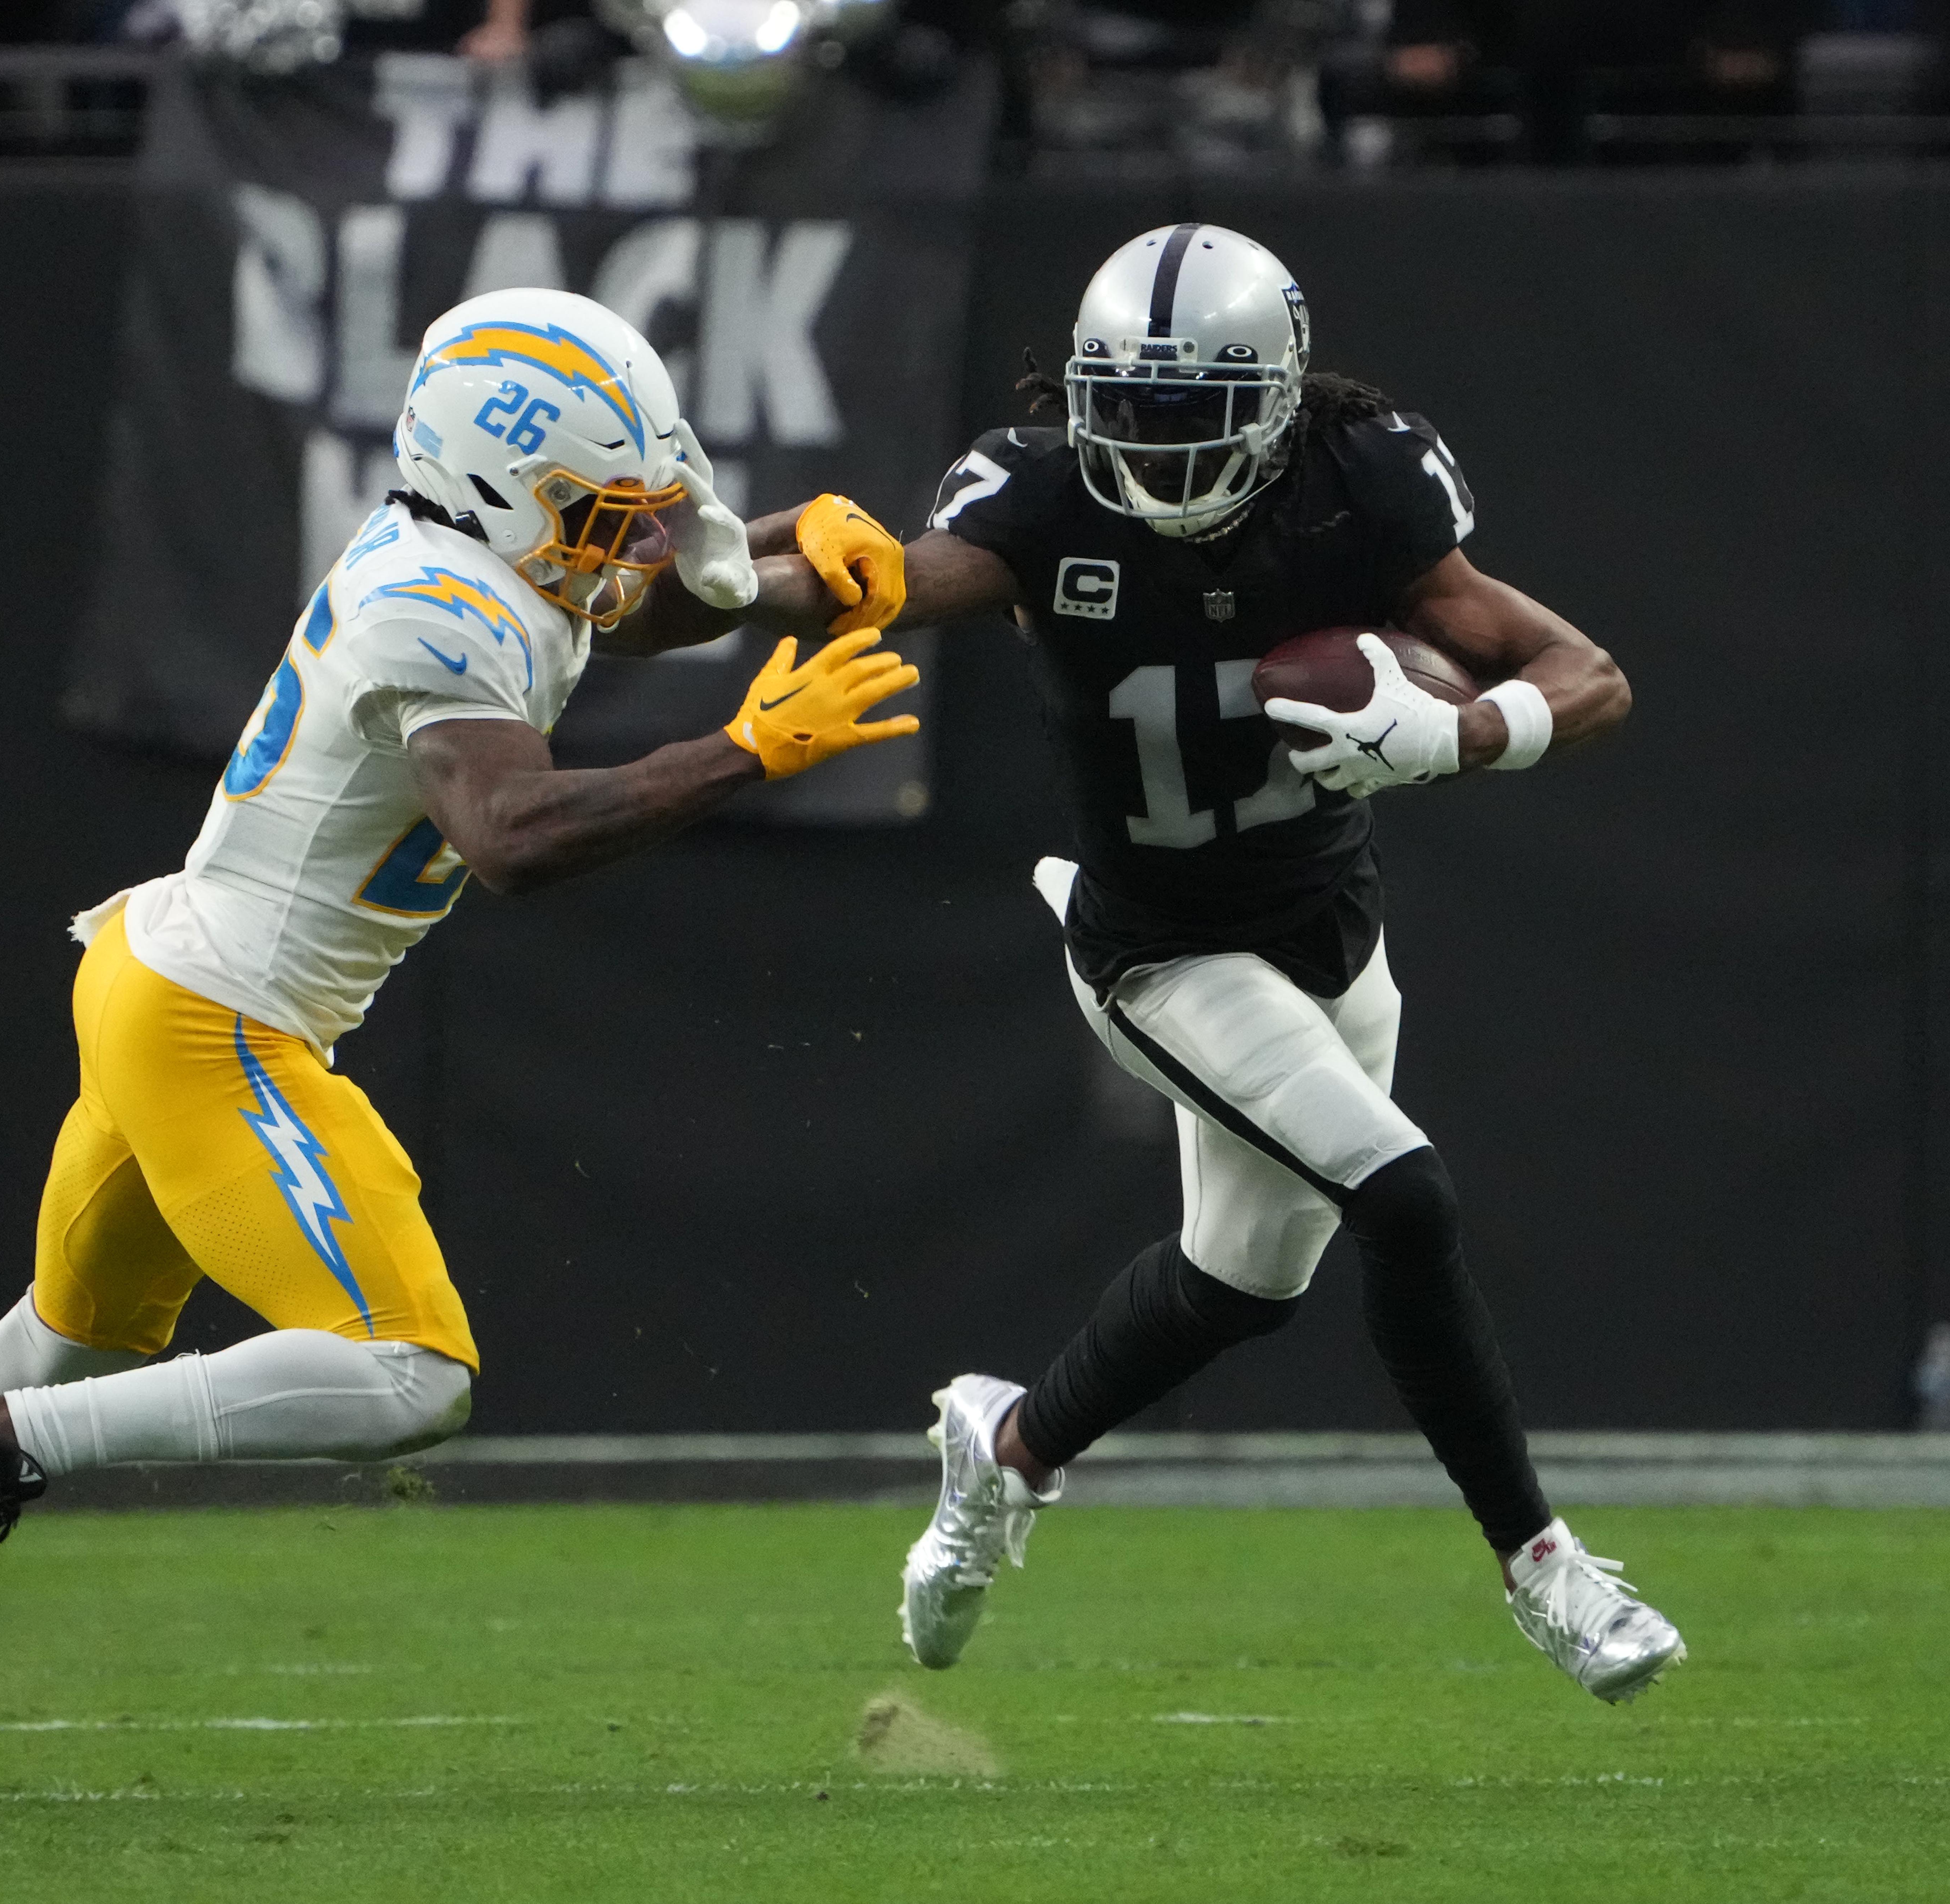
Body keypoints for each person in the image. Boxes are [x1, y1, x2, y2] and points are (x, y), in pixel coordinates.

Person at [0, 286, 923, 1802]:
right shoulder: (435, 608)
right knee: (408, 1370)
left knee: (81, 1328)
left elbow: (647, 590)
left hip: (155, 974)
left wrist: (772, 555)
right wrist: (746, 750)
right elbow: (508, 832)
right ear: (516, 496)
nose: (633, 544)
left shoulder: (489, 553)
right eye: (607, 515)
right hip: (217, 1022)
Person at [663, 223, 1685, 1702]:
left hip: (1327, 929)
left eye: (1187, 413)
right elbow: (865, 581)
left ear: (1272, 405)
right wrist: (718, 562)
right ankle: (1547, 1573)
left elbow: (1582, 674)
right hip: (1160, 949)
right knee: (1401, 1194)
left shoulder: (1359, 481)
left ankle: (1004, 1450)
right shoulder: (1037, 498)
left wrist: (1458, 733)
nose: (1149, 445)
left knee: (1243, 1278)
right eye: (1125, 407)